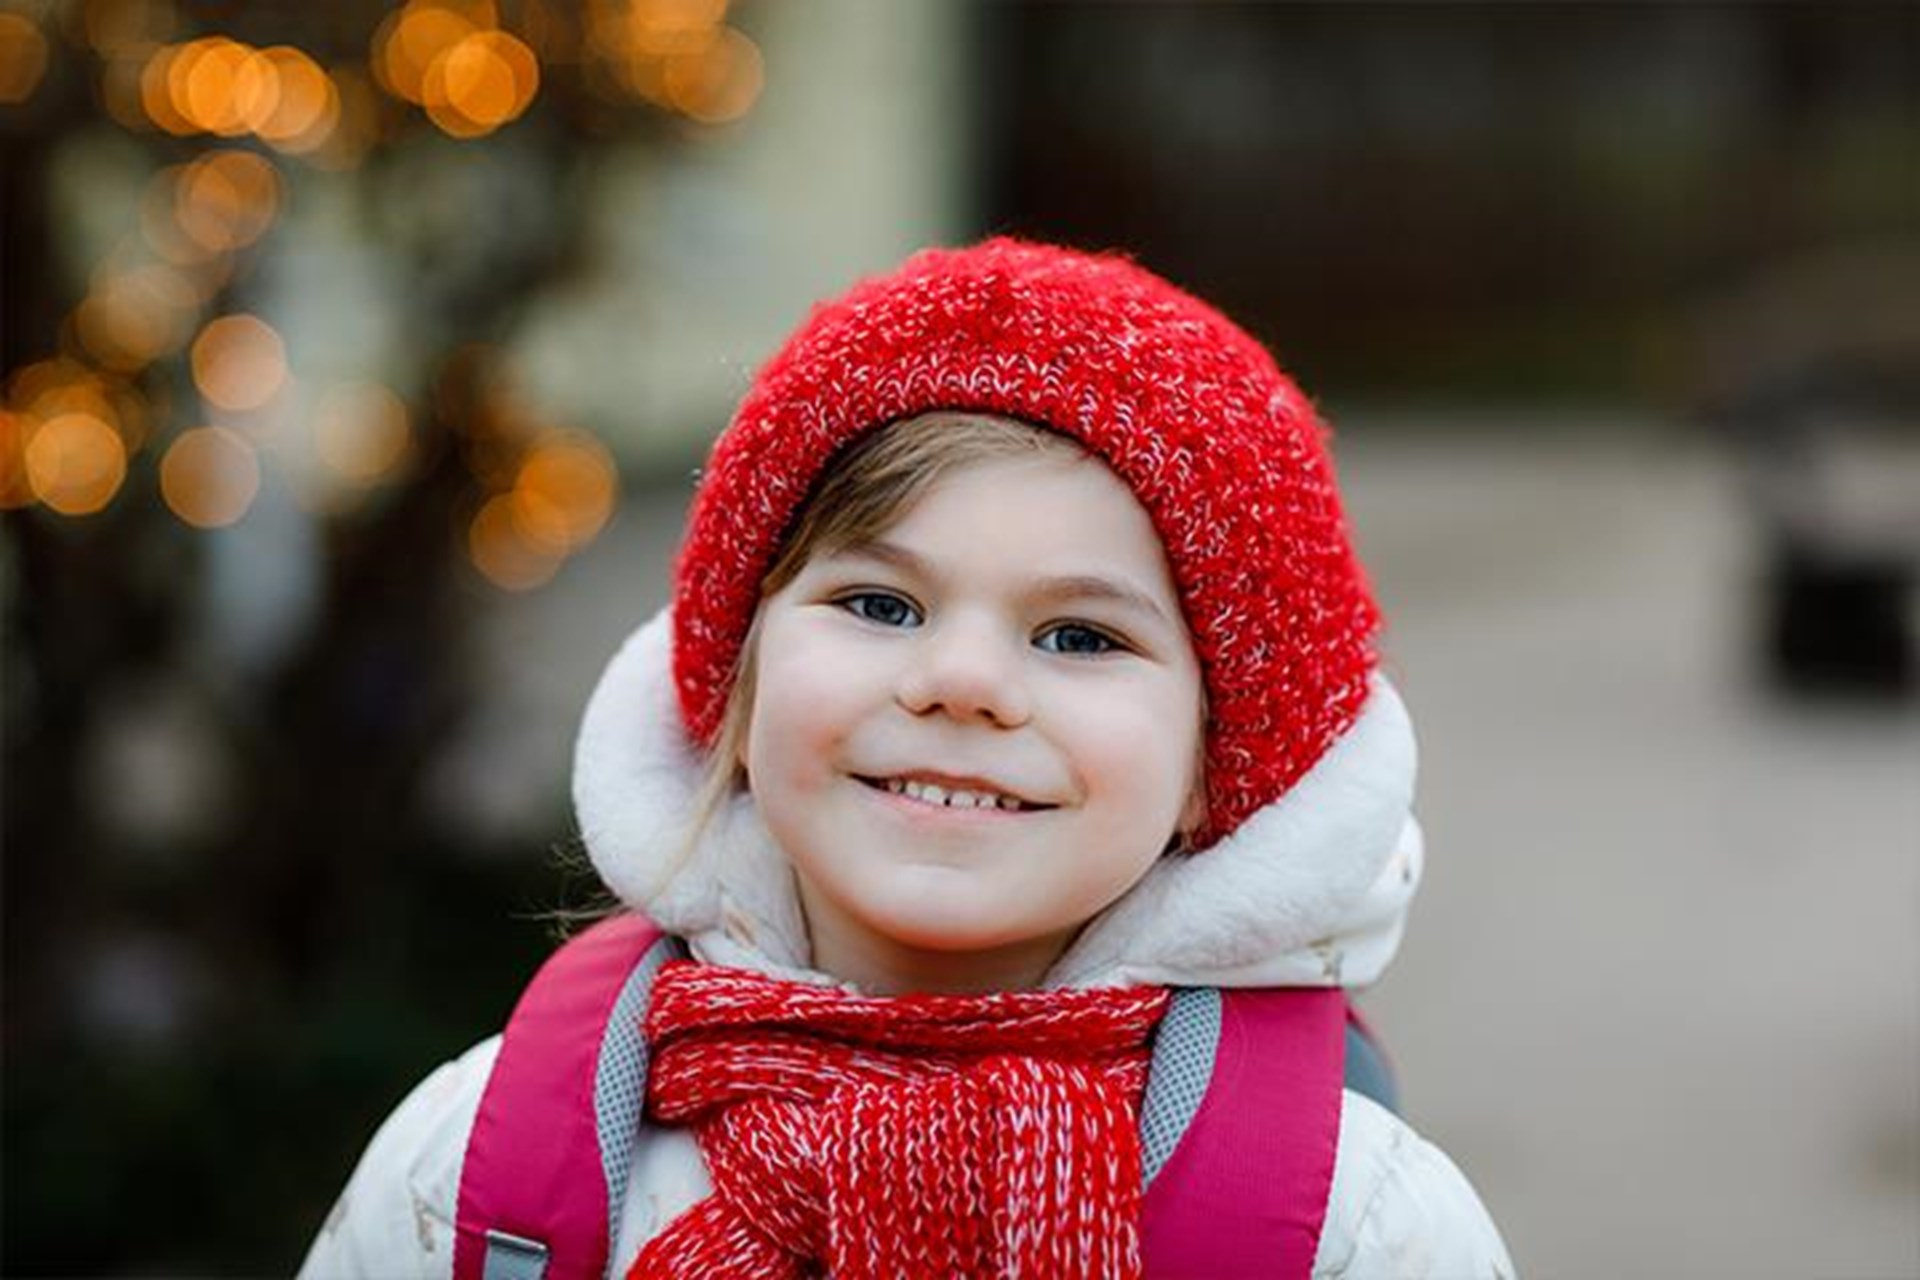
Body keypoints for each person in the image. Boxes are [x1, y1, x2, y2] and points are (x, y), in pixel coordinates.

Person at [299, 239, 1515, 1278]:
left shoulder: (1354, 1229)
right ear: (741, 667)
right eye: (881, 603)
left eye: (1080, 635)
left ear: (1218, 760)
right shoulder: (482, 1166)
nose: (963, 682)